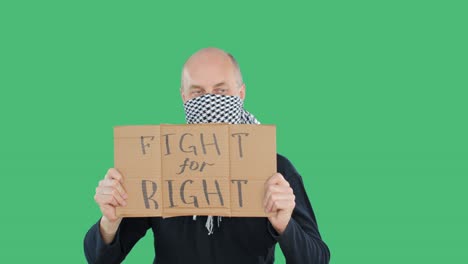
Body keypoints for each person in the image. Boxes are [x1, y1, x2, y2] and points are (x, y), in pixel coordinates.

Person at [84, 47, 330, 264]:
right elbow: (99, 259)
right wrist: (110, 222)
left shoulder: (276, 169)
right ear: (183, 97)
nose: (210, 102)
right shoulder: (155, 163)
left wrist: (286, 225)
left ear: (241, 94)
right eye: (198, 93)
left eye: (221, 92)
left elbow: (317, 258)